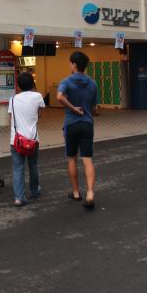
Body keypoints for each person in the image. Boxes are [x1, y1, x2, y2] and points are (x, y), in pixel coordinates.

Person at [57, 51, 98, 209]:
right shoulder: (93, 83)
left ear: (74, 64)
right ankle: (90, 194)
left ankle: (75, 192)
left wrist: (73, 109)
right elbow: (94, 108)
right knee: (87, 159)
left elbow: (59, 97)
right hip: (87, 124)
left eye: (70, 63)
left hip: (71, 124)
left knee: (72, 158)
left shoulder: (66, 81)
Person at [9, 72, 45, 207]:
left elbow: (10, 119)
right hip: (32, 139)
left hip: (16, 140)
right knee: (33, 165)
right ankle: (34, 191)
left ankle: (19, 197)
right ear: (32, 84)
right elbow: (40, 115)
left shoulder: (13, 99)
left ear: (18, 85)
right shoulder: (38, 96)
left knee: (18, 168)